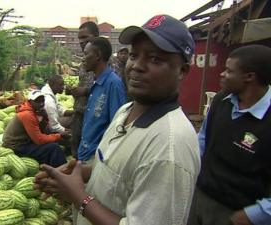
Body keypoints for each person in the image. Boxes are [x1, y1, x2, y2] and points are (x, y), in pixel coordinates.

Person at [35, 14, 201, 225]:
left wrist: (78, 197)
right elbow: (117, 169)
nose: (136, 66)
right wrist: (78, 173)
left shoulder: (169, 146)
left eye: (155, 59)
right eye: (134, 55)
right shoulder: (125, 111)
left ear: (182, 71)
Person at [188, 45, 271, 225]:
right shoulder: (221, 100)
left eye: (228, 71)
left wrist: (252, 216)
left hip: (238, 213)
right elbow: (202, 141)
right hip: (200, 197)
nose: (222, 74)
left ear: (250, 77)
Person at [76, 37, 126, 162]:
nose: (83, 58)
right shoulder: (96, 83)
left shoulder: (113, 84)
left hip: (97, 157)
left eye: (86, 54)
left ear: (98, 55)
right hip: (85, 153)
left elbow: (118, 126)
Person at [3, 90, 69, 167]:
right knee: (54, 147)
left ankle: (51, 168)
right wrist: (59, 136)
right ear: (30, 101)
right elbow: (39, 140)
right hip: (16, 146)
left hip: (25, 141)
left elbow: (41, 131)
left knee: (50, 142)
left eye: (43, 101)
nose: (41, 104)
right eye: (37, 101)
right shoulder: (27, 114)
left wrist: (45, 117)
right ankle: (63, 171)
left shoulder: (34, 111)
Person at [67, 21, 99, 157]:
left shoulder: (106, 61)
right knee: (75, 146)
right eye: (80, 38)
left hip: (94, 116)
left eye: (85, 37)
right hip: (79, 112)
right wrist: (74, 91)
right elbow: (83, 85)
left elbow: (107, 88)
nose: (81, 41)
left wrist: (85, 91)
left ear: (96, 37)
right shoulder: (83, 63)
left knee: (90, 153)